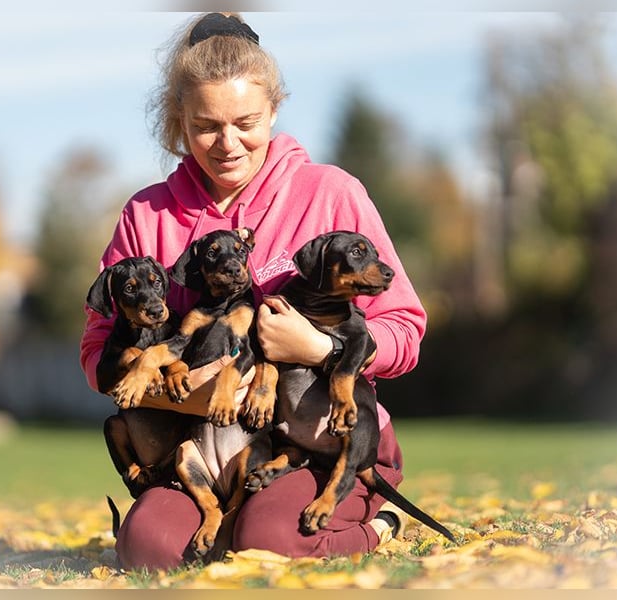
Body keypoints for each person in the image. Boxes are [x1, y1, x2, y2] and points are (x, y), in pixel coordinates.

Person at [79, 12, 426, 571]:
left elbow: (405, 328)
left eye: (246, 122)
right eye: (206, 126)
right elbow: (98, 349)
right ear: (180, 120)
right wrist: (178, 395)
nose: (228, 144)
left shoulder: (330, 193)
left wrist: (320, 349)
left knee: (270, 539)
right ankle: (227, 520)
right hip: (202, 445)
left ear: (274, 109)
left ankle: (381, 521)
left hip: (321, 443)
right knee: (149, 546)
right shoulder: (147, 214)